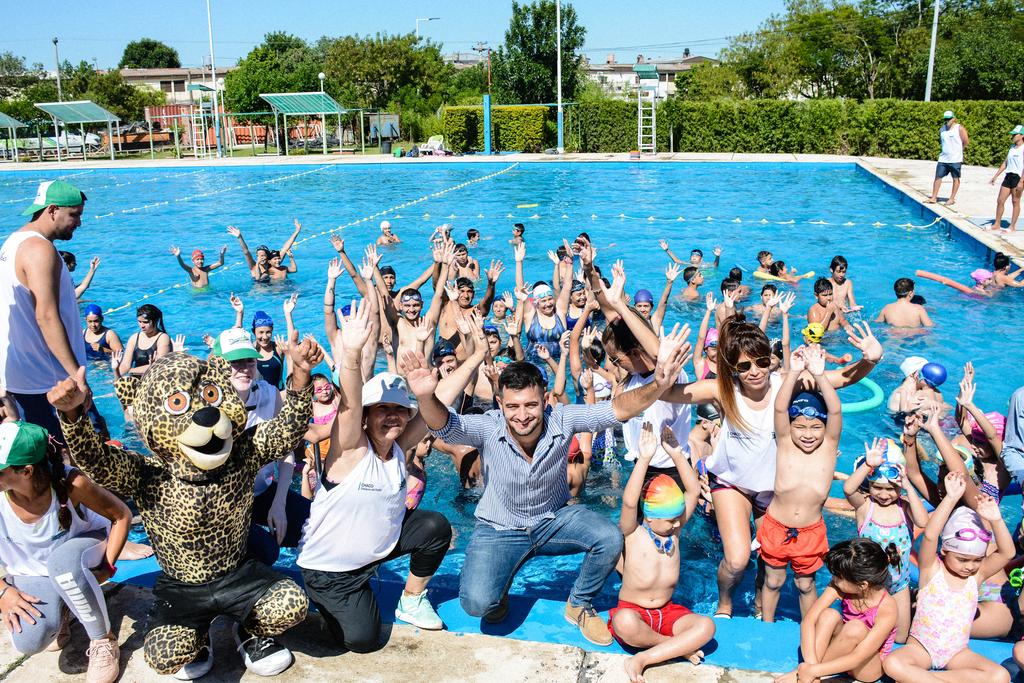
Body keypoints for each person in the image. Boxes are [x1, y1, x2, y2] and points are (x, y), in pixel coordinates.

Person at [409, 326, 692, 645]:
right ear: (500, 404)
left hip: (554, 521)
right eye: (513, 407)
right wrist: (424, 396)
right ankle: (500, 589)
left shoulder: (564, 419)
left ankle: (579, 604)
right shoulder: (488, 427)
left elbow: (620, 409)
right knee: (477, 604)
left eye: (530, 405)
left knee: (610, 537)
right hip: (499, 530)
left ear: (545, 400)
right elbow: (443, 424)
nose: (522, 416)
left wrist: (659, 384)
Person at [658, 317, 882, 618]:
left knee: (770, 562)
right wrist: (663, 368)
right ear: (733, 368)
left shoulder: (785, 384)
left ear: (770, 360)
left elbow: (842, 377)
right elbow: (668, 393)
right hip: (732, 483)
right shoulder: (722, 389)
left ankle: (761, 611)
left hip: (774, 491)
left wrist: (871, 358)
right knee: (737, 560)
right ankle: (725, 601)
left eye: (761, 362)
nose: (754, 372)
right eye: (744, 366)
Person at [297, 301, 484, 653]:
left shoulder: (399, 446)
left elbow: (438, 401)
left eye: (399, 409)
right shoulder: (350, 448)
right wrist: (351, 355)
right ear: (367, 418)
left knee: (434, 527)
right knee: (362, 641)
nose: (393, 416)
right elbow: (350, 403)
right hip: (331, 572)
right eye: (382, 409)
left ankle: (411, 600)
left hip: (374, 553)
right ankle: (324, 599)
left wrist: (476, 356)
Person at [0, 420, 130, 683]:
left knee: (64, 564)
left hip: (79, 552)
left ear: (26, 471)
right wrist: (3, 591)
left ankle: (103, 640)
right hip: (35, 572)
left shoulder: (71, 482)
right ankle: (64, 607)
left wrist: (107, 567)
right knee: (29, 640)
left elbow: (122, 516)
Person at [882, 475, 1013, 683]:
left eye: (977, 560)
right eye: (962, 559)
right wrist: (951, 498)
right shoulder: (931, 570)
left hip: (957, 653)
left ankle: (926, 679)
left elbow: (1007, 553)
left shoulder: (976, 577)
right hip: (921, 648)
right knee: (893, 663)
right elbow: (931, 536)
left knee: (1000, 676)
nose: (969, 566)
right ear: (944, 550)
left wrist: (996, 520)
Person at [610, 423, 713, 682]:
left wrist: (678, 454)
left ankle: (646, 656)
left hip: (668, 612)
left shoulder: (674, 533)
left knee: (707, 626)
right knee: (624, 623)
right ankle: (674, 647)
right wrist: (644, 458)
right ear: (651, 517)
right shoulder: (633, 534)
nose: (678, 524)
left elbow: (692, 490)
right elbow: (630, 501)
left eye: (678, 518)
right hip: (635, 612)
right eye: (670, 520)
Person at [758, 345, 841, 623]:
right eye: (801, 427)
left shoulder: (828, 447)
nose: (808, 434)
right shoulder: (785, 444)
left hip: (810, 532)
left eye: (816, 427)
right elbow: (780, 408)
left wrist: (820, 376)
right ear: (790, 427)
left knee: (806, 585)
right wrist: (793, 372)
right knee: (773, 581)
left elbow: (836, 411)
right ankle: (767, 627)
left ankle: (811, 626)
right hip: (776, 526)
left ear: (825, 428)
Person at [0, 180, 88, 440]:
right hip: (50, 382)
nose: (79, 223)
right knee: (77, 464)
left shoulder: (11, 243)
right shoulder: (40, 249)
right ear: (52, 210)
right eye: (74, 214)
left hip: (21, 378)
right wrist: (77, 376)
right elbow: (46, 316)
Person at [776, 538, 898, 683]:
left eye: (838, 577)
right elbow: (808, 621)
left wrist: (811, 671)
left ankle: (810, 673)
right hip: (842, 652)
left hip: (866, 667)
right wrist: (810, 669)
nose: (834, 579)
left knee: (855, 627)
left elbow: (858, 657)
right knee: (828, 615)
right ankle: (812, 675)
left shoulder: (887, 609)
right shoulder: (842, 584)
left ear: (862, 585)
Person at [843, 439, 928, 642]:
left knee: (900, 637)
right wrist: (868, 465)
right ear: (869, 485)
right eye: (877, 487)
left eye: (891, 489)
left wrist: (908, 486)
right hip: (868, 585)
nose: (884, 494)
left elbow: (923, 520)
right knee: (864, 632)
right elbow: (848, 489)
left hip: (899, 585)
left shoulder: (904, 507)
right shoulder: (864, 507)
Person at [227, 219, 301, 283]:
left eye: (263, 255)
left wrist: (296, 231)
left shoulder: (274, 263)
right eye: (259, 256)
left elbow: (285, 248)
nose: (261, 258)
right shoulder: (253, 266)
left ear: (268, 257)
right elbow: (246, 252)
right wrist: (239, 237)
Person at [117, 304, 171, 378]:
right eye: (139, 321)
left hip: (154, 379)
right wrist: (117, 376)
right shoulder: (134, 338)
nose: (142, 325)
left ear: (155, 321)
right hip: (135, 379)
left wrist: (131, 371)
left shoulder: (163, 338)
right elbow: (125, 365)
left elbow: (159, 367)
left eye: (145, 322)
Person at [927, 111, 969, 206]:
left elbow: (966, 141)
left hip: (955, 159)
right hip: (943, 158)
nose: (947, 121)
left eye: (949, 119)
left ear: (954, 118)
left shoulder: (959, 128)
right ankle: (934, 197)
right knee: (938, 177)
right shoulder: (942, 129)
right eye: (945, 119)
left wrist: (958, 151)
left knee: (955, 178)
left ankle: (952, 198)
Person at [989, 125, 1024, 232]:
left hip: (1018, 178)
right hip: (1008, 176)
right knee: (1000, 200)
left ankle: (1012, 226)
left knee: (1015, 201)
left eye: (1015, 134)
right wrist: (995, 176)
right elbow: (1005, 163)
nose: (1012, 136)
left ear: (1022, 135)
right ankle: (997, 224)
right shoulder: (1012, 148)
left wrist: (1021, 181)